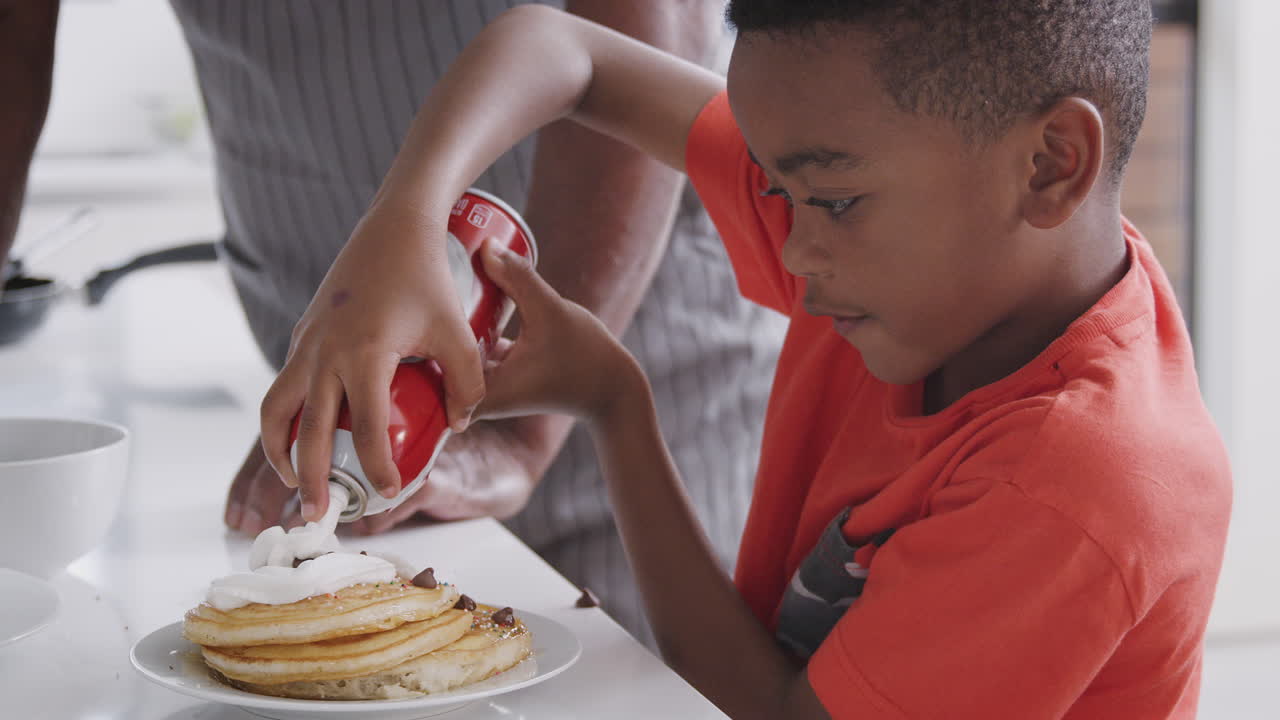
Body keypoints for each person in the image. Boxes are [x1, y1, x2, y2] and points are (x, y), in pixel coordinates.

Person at [261, 1, 1233, 718]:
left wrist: (615, 406)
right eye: (777, 190)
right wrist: (403, 219)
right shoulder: (927, 259)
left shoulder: (1073, 482)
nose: (795, 251)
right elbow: (561, 49)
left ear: (1049, 163)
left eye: (833, 202)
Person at [0, 0, 785, 646]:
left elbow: (599, 42)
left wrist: (519, 434)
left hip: (617, 387)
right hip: (347, 401)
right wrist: (409, 209)